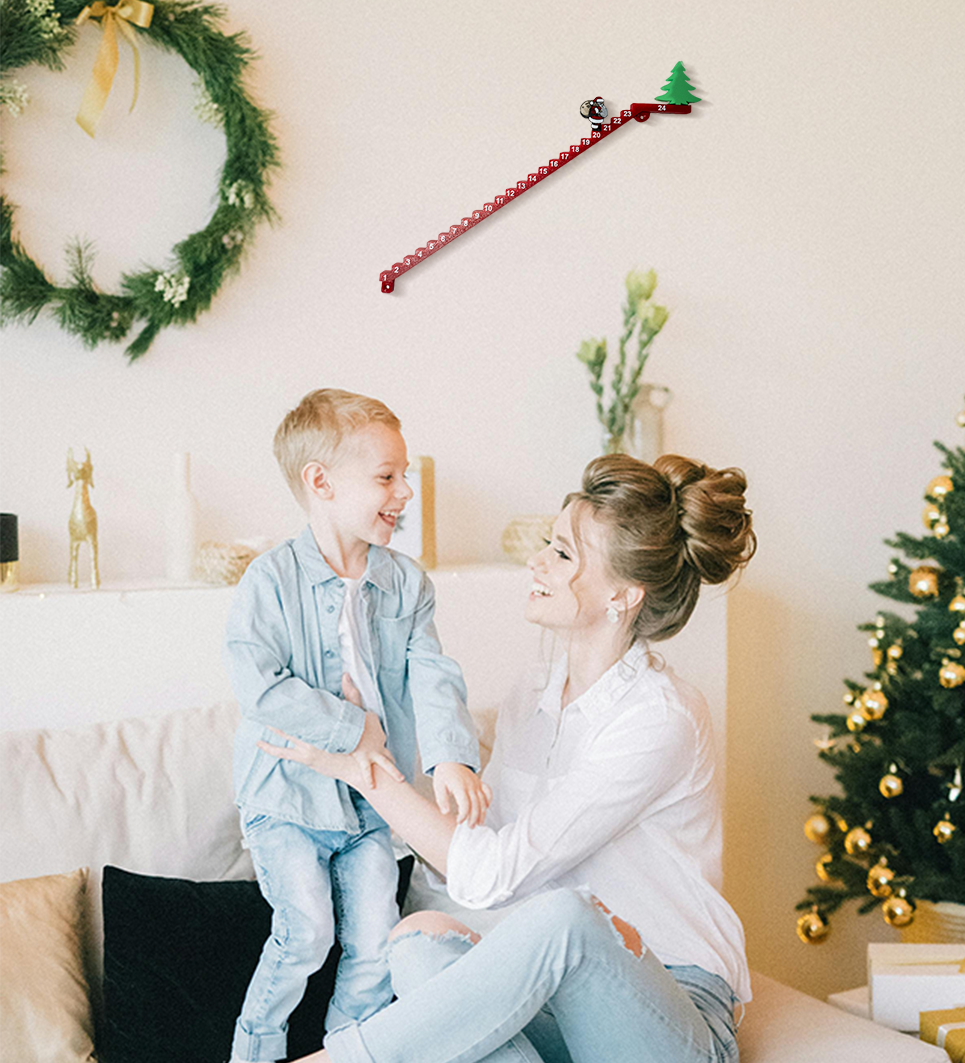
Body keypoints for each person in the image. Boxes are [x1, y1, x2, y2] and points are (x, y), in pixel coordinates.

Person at [260, 452, 757, 1063]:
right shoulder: (535, 695)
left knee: (567, 919)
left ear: (624, 596)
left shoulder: (660, 718)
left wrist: (373, 776)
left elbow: (495, 875)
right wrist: (367, 754)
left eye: (565, 554)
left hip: (673, 1016)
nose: (538, 561)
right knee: (418, 942)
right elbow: (473, 858)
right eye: (550, 543)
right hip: (566, 1005)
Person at [226, 389, 491, 1063]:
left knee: (376, 947)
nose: (404, 490)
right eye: (386, 476)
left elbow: (432, 672)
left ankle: (348, 1054)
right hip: (287, 799)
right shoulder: (269, 581)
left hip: (375, 802)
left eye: (404, 475)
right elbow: (259, 685)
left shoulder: (406, 583)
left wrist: (451, 756)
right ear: (320, 482)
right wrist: (354, 727)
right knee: (307, 933)